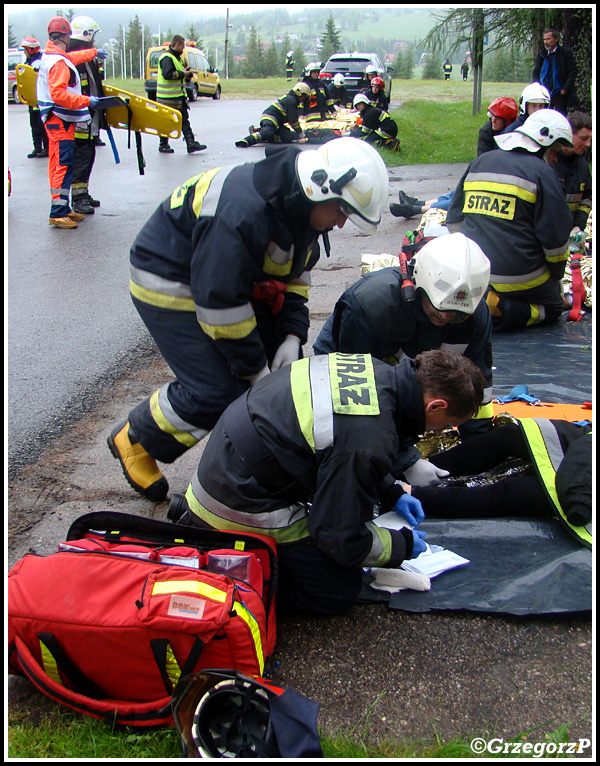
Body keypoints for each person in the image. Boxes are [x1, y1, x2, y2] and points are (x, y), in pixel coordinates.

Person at [107, 137, 390, 503]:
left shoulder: (298, 204)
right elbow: (220, 307)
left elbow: (294, 277)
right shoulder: (244, 211)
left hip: (223, 281)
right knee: (219, 389)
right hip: (170, 278)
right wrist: (254, 371)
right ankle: (135, 439)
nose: (339, 223)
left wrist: (290, 334)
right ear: (319, 188)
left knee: (273, 377)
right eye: (341, 211)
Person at [168, 349, 486, 615]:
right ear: (436, 406)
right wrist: (399, 547)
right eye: (448, 425)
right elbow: (337, 535)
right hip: (239, 498)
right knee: (337, 589)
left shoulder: (372, 369)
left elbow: (341, 441)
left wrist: (389, 489)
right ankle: (228, 578)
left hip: (227, 462)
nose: (439, 432)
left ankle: (206, 530)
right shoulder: (370, 440)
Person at [314, 232, 495, 452]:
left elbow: (478, 390)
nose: (445, 318)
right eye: (440, 309)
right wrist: (403, 458)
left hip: (408, 383)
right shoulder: (372, 307)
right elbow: (355, 402)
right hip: (344, 376)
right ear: (418, 285)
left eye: (456, 315)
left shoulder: (475, 317)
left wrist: (477, 450)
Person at [446, 109, 574, 331]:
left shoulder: (479, 162)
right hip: (522, 277)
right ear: (543, 143)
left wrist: (466, 258)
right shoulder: (542, 173)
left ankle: (483, 300)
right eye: (554, 151)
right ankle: (497, 307)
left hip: (474, 272)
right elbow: (555, 242)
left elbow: (454, 219)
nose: (554, 158)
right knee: (553, 307)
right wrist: (556, 278)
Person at [408, 418, 592, 548]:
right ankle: (417, 469)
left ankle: (409, 494)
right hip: (577, 449)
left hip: (582, 490)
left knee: (512, 493)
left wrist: (579, 500)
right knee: (510, 435)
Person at [389, 97, 517, 220]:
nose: (493, 120)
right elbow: (482, 160)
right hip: (486, 176)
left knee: (462, 200)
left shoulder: (512, 136)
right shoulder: (488, 130)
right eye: (491, 116)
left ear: (508, 121)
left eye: (498, 118)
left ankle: (415, 210)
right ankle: (419, 203)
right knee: (458, 193)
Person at [37, 16, 104, 229]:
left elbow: (72, 58)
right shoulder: (58, 62)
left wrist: (93, 53)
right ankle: (57, 212)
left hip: (57, 120)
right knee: (62, 166)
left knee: (61, 164)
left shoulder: (55, 56)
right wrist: (87, 100)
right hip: (60, 120)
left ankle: (63, 208)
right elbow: (59, 94)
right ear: (66, 36)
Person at [67, 15, 106, 215]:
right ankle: (79, 197)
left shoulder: (84, 53)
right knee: (82, 155)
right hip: (79, 115)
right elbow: (78, 86)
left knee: (88, 152)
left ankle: (83, 193)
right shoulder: (75, 54)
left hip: (86, 113)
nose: (94, 40)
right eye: (93, 35)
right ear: (87, 34)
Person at [156, 35, 206, 154]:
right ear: (177, 44)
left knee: (183, 121)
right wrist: (182, 74)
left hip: (177, 97)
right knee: (170, 122)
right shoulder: (167, 58)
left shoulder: (178, 59)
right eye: (182, 46)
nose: (183, 49)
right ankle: (166, 144)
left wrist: (187, 75)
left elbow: (180, 75)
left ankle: (189, 144)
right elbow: (168, 75)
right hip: (167, 98)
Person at [551, 111, 592, 234]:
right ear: (569, 135)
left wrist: (578, 226)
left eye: (590, 139)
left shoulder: (582, 164)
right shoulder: (550, 162)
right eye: (584, 138)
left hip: (569, 234)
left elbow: (587, 197)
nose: (588, 144)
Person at [235, 82, 309, 147]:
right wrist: (300, 133)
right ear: (299, 93)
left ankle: (259, 133)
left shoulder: (292, 100)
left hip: (277, 122)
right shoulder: (291, 101)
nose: (304, 99)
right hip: (270, 118)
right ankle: (247, 140)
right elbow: (293, 121)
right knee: (268, 132)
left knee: (287, 138)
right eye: (304, 96)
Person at [532, 28, 577, 115]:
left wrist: (565, 89)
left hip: (560, 94)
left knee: (559, 117)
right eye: (544, 39)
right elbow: (535, 72)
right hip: (544, 94)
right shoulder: (542, 55)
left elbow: (573, 71)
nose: (545, 42)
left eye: (548, 39)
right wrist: (537, 87)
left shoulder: (565, 53)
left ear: (556, 39)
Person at [21, 37, 49, 158]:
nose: (24, 52)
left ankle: (46, 148)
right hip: (32, 99)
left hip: (39, 99)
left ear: (30, 50)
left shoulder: (38, 62)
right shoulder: (29, 61)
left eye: (25, 49)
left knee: (41, 125)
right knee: (34, 125)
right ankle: (37, 148)